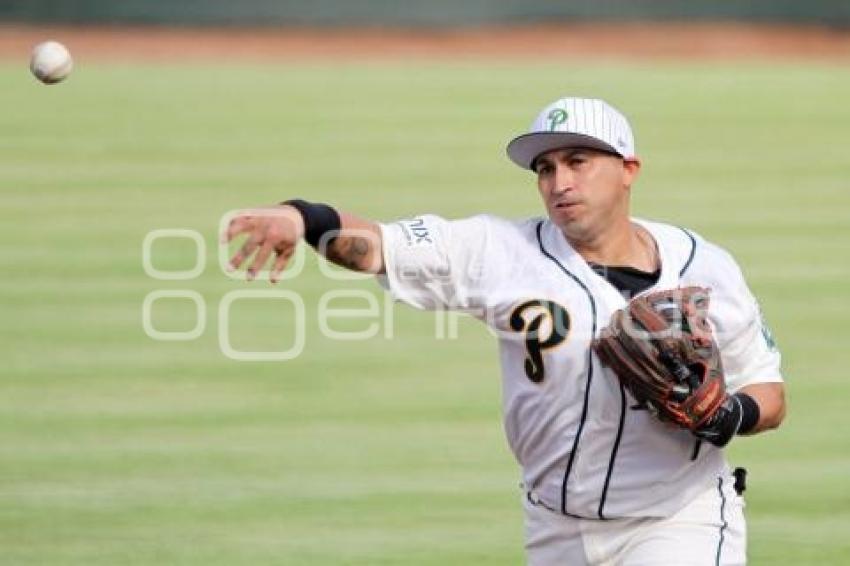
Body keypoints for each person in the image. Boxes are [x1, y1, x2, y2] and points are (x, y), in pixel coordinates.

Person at [225, 97, 786, 565]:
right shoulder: (498, 250)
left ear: (628, 169)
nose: (559, 182)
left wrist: (731, 415)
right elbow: (380, 246)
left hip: (677, 519)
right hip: (554, 528)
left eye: (578, 161)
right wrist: (303, 218)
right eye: (545, 169)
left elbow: (770, 391)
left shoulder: (705, 265)